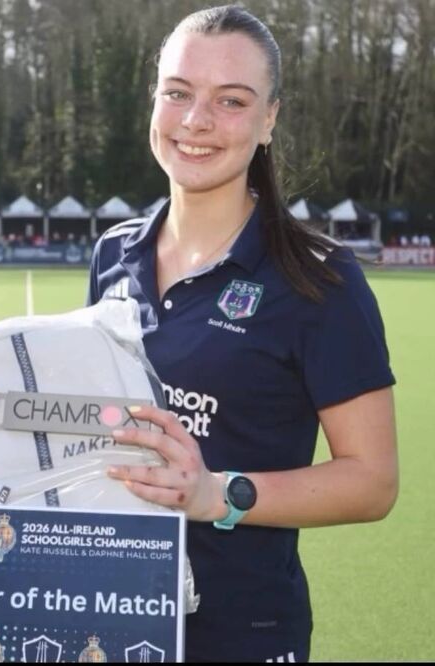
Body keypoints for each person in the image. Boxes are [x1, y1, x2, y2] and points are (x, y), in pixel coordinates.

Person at [88, 6, 398, 662]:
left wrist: (215, 494)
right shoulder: (113, 253)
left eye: (231, 101)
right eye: (178, 93)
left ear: (269, 120)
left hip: (241, 632)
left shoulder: (319, 277)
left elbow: (373, 482)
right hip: (113, 616)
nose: (196, 121)